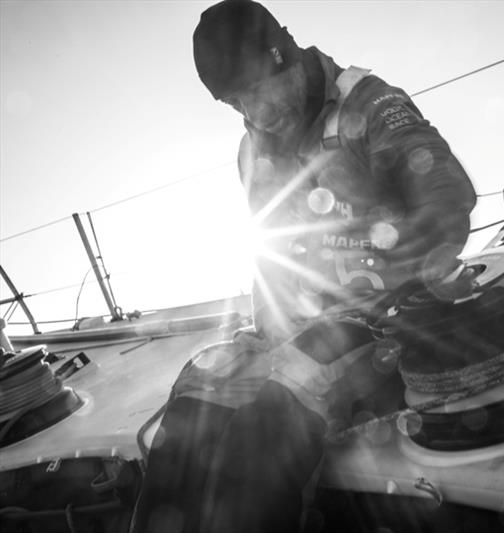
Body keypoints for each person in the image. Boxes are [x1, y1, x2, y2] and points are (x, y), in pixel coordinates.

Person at [131, 1, 476, 531]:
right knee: (196, 395)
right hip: (302, 334)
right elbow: (266, 251)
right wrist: (265, 334)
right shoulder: (250, 151)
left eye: (259, 89)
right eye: (236, 102)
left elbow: (446, 191)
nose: (257, 113)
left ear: (285, 57)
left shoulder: (368, 102)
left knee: (267, 424)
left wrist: (411, 250)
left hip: (389, 324)